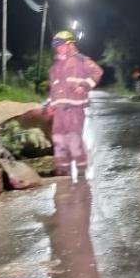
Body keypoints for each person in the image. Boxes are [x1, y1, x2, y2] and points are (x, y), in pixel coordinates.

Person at [45, 30, 103, 181]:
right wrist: (50, 105)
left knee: (73, 139)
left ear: (70, 44)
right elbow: (53, 89)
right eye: (56, 46)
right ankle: (63, 171)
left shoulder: (81, 61)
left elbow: (97, 72)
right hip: (59, 112)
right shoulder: (54, 68)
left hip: (74, 110)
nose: (58, 48)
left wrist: (84, 85)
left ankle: (81, 170)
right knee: (58, 140)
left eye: (61, 45)